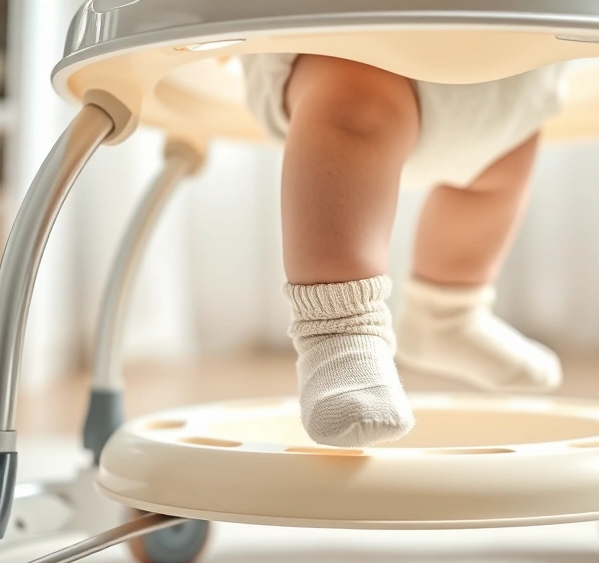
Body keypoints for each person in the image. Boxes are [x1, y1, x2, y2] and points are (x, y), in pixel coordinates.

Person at [242, 53, 566, 447]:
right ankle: (341, 333)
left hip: (505, 68)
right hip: (354, 40)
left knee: (503, 166)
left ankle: (447, 315)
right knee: (355, 107)